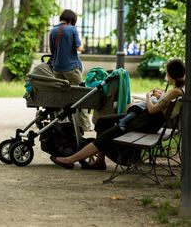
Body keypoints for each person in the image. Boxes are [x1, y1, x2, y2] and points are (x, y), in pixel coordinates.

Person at [50, 58, 185, 170]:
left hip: (145, 122)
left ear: (171, 73)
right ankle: (100, 161)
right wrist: (161, 95)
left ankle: (70, 160)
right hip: (145, 118)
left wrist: (148, 96)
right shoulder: (179, 88)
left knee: (106, 134)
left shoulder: (175, 91)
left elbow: (152, 110)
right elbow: (163, 105)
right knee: (103, 121)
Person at [49, 9, 91, 132]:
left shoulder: (52, 31)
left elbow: (52, 52)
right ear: (72, 19)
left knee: (61, 96)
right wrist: (82, 42)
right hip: (71, 68)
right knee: (82, 95)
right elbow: (79, 48)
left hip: (57, 69)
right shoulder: (72, 29)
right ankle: (85, 125)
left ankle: (62, 123)